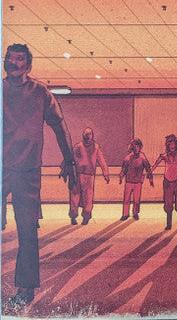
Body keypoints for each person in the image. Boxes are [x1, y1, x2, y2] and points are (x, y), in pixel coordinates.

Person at [2, 44, 76, 307]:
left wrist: (69, 159)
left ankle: (25, 288)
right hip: (1, 168)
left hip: (28, 171)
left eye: (19, 58)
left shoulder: (40, 92)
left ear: (28, 65)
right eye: (9, 58)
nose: (13, 62)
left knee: (27, 231)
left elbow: (59, 124)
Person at [67, 127, 109, 225]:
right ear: (83, 135)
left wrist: (106, 173)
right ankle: (73, 216)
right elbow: (70, 158)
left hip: (89, 176)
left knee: (88, 197)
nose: (88, 136)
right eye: (86, 134)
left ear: (92, 135)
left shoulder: (96, 147)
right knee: (74, 196)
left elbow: (101, 160)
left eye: (90, 134)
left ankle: (86, 216)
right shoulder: (78, 146)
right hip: (77, 175)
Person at [151, 133, 177, 230]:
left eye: (173, 144)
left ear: (176, 145)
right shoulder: (164, 155)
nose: (172, 146)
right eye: (170, 144)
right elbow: (156, 163)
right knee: (168, 203)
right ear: (167, 145)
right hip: (168, 182)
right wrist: (150, 171)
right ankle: (169, 225)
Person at [119, 137, 153, 221]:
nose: (136, 148)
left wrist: (150, 178)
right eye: (134, 146)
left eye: (138, 146)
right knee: (126, 199)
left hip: (138, 182)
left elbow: (148, 168)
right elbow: (124, 169)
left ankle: (135, 213)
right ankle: (125, 214)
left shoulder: (142, 157)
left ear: (140, 147)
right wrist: (121, 176)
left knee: (136, 200)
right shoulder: (128, 158)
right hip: (129, 182)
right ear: (132, 147)